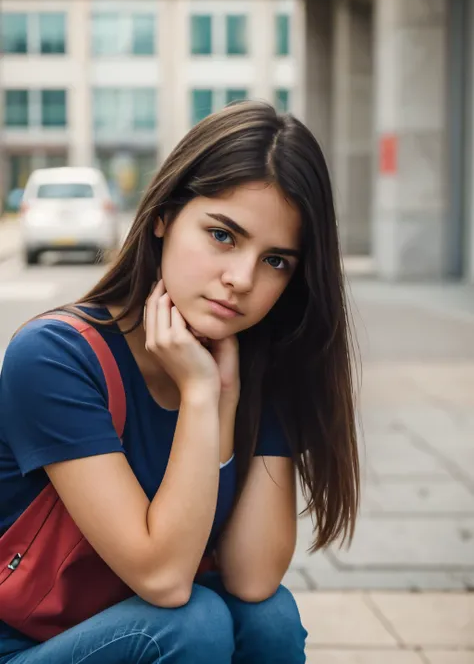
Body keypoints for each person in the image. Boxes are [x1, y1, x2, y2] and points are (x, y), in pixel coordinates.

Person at [0, 101, 360, 663]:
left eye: (276, 262)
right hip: (28, 647)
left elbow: (253, 578)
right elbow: (164, 580)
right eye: (222, 235)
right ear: (165, 215)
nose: (241, 279)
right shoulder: (54, 357)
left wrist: (229, 395)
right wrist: (199, 395)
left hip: (149, 624)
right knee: (191, 624)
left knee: (270, 620)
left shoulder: (258, 358)